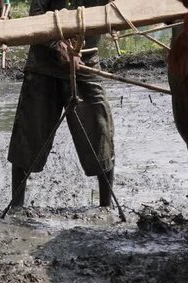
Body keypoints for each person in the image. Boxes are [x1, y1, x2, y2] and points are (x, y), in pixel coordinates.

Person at [7, 0, 114, 208]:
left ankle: (106, 206)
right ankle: (16, 207)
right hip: (43, 65)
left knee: (100, 130)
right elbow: (37, 14)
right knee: (28, 134)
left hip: (86, 62)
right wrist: (58, 45)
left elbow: (118, 8)